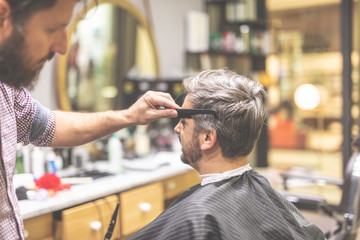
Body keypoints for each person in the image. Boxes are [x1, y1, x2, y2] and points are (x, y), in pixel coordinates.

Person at [0, 0, 179, 239]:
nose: (64, 47)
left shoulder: (7, 88)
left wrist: (129, 116)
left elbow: (48, 126)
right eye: (53, 29)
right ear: (2, 15)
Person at [129, 69, 326, 240]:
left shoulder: (198, 215)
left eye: (184, 122)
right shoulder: (261, 189)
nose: (177, 128)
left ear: (207, 138)